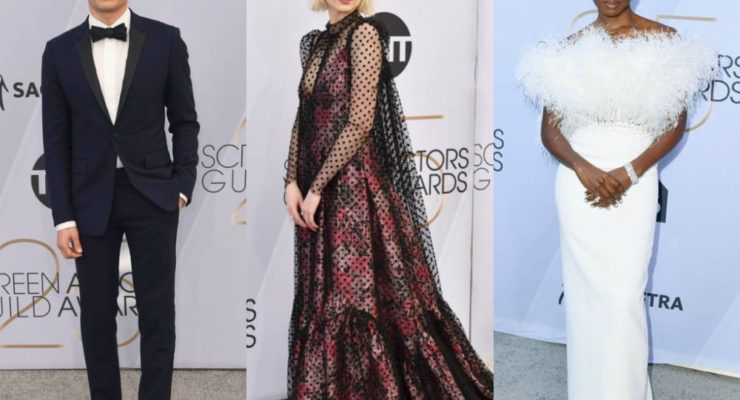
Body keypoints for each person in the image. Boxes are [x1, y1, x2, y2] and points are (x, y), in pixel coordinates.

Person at [283, 0, 493, 398]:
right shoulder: (313, 43)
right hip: (312, 185)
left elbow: (360, 122)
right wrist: (291, 180)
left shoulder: (364, 35)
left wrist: (317, 187)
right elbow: (303, 115)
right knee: (323, 295)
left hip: (353, 191)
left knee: (355, 297)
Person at [516, 0, 716, 399]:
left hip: (635, 176)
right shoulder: (569, 47)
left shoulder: (665, 41)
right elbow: (550, 132)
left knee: (623, 297)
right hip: (578, 181)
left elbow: (674, 126)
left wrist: (630, 172)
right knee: (584, 300)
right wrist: (581, 167)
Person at [41, 0, 199, 398]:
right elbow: (55, 142)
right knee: (96, 315)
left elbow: (184, 121)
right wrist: (63, 217)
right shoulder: (58, 51)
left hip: (153, 194)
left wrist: (182, 185)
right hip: (88, 198)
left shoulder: (166, 40)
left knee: (157, 313)